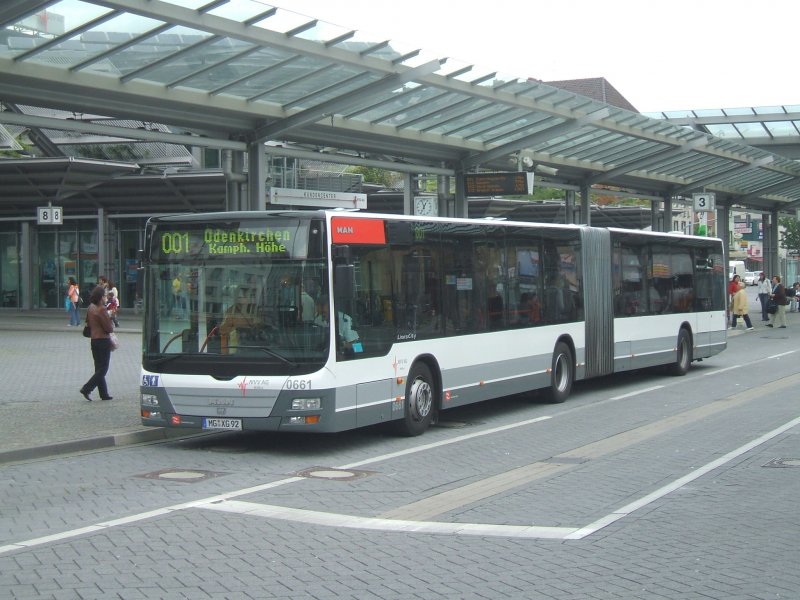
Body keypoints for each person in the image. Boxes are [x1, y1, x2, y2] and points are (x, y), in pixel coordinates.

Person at [80, 285, 114, 401]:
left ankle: (104, 394)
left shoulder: (90, 307)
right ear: (101, 297)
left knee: (98, 368)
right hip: (103, 340)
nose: (106, 298)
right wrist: (110, 319)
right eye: (105, 295)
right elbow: (109, 328)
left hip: (94, 340)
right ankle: (87, 388)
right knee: (103, 368)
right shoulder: (102, 309)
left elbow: (87, 323)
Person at [219, 287, 261, 353]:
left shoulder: (255, 310)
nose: (249, 298)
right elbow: (222, 330)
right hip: (237, 349)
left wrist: (256, 325)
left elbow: (260, 327)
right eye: (244, 296)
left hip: (255, 347)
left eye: (250, 296)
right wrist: (232, 325)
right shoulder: (231, 311)